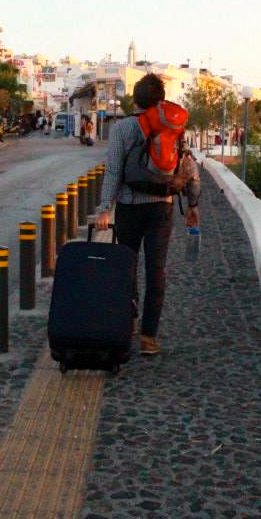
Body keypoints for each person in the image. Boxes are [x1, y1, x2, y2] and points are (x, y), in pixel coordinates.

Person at [95, 73, 199, 356]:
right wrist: (193, 205)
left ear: (135, 100)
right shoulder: (173, 126)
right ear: (160, 101)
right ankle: (149, 337)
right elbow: (188, 166)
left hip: (129, 206)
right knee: (156, 270)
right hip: (162, 206)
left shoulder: (122, 128)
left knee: (127, 265)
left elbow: (113, 171)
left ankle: (128, 321)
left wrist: (105, 208)